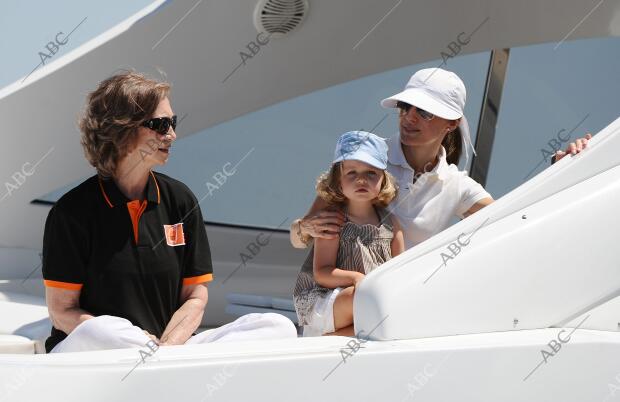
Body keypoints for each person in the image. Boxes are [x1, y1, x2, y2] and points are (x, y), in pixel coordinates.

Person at [42, 71, 296, 353]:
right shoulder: (73, 211)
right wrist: (138, 344)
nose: (171, 134)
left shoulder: (180, 200)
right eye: (160, 125)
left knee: (276, 326)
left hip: (167, 348)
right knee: (102, 329)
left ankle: (159, 363)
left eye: (172, 123)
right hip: (94, 352)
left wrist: (166, 348)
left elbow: (195, 296)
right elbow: (62, 312)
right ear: (121, 130)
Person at [290, 68, 591, 249]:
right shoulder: (364, 160)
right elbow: (298, 237)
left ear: (451, 123)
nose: (409, 118)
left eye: (424, 111)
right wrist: (305, 229)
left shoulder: (457, 186)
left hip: (395, 316)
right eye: (405, 107)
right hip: (338, 309)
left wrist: (563, 168)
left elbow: (514, 221)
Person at [293, 131, 405, 337]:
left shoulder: (391, 224)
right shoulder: (332, 221)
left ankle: (332, 339)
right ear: (338, 181)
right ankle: (322, 337)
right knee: (364, 298)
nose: (361, 180)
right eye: (351, 173)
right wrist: (357, 278)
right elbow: (322, 272)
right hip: (330, 299)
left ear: (383, 180)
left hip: (371, 299)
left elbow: (400, 269)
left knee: (391, 308)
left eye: (371, 173)